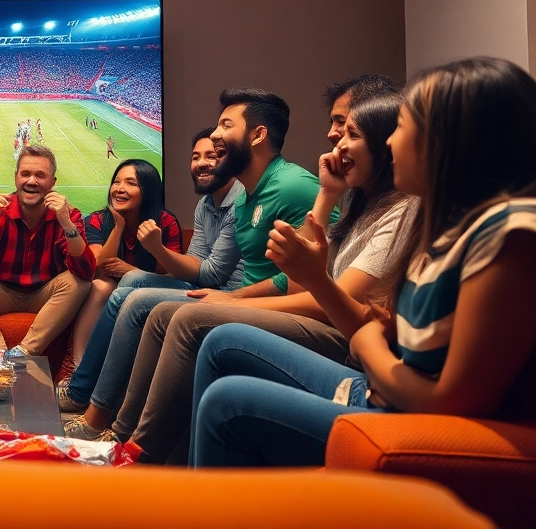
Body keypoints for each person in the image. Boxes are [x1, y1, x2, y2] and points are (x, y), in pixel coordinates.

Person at [190, 58, 536, 467]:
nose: (389, 143)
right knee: (224, 343)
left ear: (448, 140)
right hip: (385, 389)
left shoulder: (518, 235)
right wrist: (342, 305)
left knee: (229, 404)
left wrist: (372, 350)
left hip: (414, 418)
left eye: (402, 127)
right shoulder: (454, 222)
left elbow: (449, 402)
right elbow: (387, 327)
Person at [101, 89, 414, 462]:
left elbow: (324, 299)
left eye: (351, 133)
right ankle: (124, 439)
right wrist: (329, 194)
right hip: (335, 330)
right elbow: (304, 278)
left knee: (187, 318)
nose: (336, 141)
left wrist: (234, 299)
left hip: (341, 340)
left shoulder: (393, 211)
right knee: (160, 308)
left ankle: (138, 455)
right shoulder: (357, 206)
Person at [58, 131, 243, 429]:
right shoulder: (204, 205)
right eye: (195, 157)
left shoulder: (235, 204)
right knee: (115, 287)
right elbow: (193, 268)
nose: (201, 163)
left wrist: (151, 252)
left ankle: (85, 396)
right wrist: (121, 233)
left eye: (212, 156)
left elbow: (207, 274)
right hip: (201, 287)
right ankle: (83, 387)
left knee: (124, 292)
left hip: (222, 293)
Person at [0, 145, 95, 358]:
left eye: (40, 175)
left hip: (43, 294)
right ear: (16, 178)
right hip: (0, 292)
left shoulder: (67, 215)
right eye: (25, 174)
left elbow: (86, 272)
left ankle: (24, 354)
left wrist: (65, 222)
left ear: (52, 182)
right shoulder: (0, 212)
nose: (31, 181)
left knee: (78, 282)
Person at [69, 159, 183, 365]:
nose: (120, 189)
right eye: (116, 182)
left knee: (127, 286)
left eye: (131, 183)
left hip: (148, 292)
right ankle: (78, 366)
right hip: (108, 288)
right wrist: (118, 227)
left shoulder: (165, 222)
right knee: (101, 285)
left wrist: (130, 271)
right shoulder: (96, 220)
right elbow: (97, 269)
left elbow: (170, 277)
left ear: (148, 190)